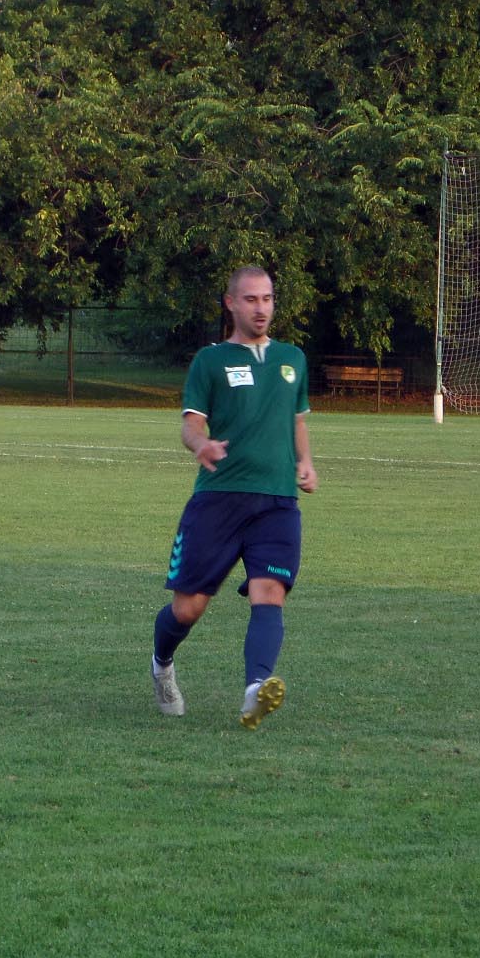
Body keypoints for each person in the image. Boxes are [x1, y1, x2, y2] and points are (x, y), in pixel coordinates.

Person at [151, 266, 318, 728]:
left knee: (270, 592)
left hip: (277, 502)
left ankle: (254, 689)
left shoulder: (292, 359)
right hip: (219, 499)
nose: (261, 308)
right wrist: (200, 445)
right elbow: (190, 424)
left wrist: (305, 461)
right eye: (251, 299)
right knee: (189, 608)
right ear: (230, 303)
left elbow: (297, 420)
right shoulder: (211, 361)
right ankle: (162, 664)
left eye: (267, 298)